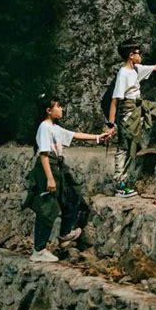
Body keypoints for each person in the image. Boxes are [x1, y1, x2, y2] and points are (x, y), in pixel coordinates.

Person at [23, 96, 107, 262]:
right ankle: (39, 250)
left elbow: (74, 135)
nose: (61, 109)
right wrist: (50, 178)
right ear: (49, 110)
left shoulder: (54, 127)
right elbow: (44, 154)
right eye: (58, 106)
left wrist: (98, 137)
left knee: (72, 195)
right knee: (48, 208)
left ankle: (65, 234)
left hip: (59, 167)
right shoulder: (44, 127)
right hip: (50, 168)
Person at [105, 38, 156, 198]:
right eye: (138, 53)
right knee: (126, 148)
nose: (141, 55)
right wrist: (111, 124)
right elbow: (115, 101)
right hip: (128, 113)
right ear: (130, 55)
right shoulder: (124, 74)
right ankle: (120, 184)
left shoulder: (136, 69)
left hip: (140, 105)